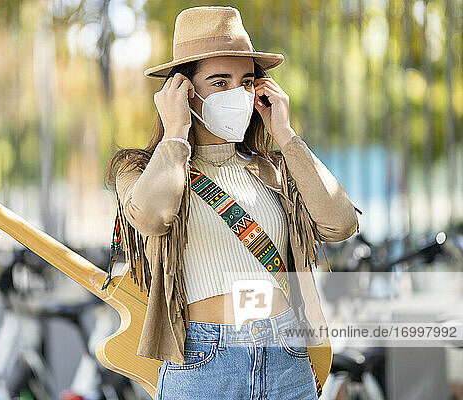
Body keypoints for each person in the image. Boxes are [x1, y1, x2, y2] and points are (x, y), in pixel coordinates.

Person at [104, 6, 362, 400]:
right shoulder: (139, 169)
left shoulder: (275, 168)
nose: (236, 95)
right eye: (219, 82)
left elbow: (341, 224)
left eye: (245, 82)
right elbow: (153, 217)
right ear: (184, 90)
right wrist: (176, 133)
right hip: (204, 362)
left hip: (286, 357)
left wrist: (286, 135)